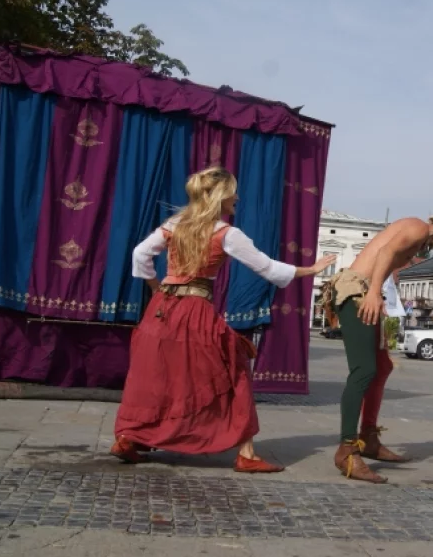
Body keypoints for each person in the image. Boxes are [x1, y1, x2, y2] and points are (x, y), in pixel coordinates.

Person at [111, 167, 335, 470]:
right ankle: (246, 455)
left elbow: (140, 254)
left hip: (162, 308)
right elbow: (267, 268)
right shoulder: (226, 233)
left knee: (157, 372)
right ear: (220, 196)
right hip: (195, 309)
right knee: (234, 370)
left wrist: (155, 287)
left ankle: (130, 437)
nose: (238, 198)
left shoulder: (174, 225)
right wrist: (310, 270)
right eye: (233, 193)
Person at [319, 212, 433, 483]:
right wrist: (374, 293)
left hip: (364, 291)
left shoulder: (418, 239)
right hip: (356, 292)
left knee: (382, 367)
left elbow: (387, 257)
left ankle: (368, 437)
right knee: (363, 370)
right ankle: (347, 449)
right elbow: (386, 253)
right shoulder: (417, 229)